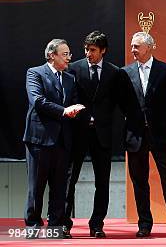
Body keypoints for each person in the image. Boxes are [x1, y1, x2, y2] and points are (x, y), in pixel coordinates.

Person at [65, 31, 130, 238]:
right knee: (69, 179)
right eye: (86, 49)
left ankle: (97, 224)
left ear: (103, 50)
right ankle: (64, 223)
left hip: (102, 133)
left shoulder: (114, 72)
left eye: (92, 50)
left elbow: (123, 104)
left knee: (102, 181)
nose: (88, 53)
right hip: (77, 132)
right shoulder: (73, 68)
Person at [124, 31, 166, 237]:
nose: (132, 50)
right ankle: (144, 224)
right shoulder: (125, 72)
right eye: (132, 46)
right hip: (135, 137)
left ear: (149, 47)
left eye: (136, 46)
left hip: (161, 134)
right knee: (139, 181)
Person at [24, 39, 84, 238]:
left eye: (69, 53)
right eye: (65, 53)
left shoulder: (70, 78)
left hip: (63, 140)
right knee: (37, 186)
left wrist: (78, 110)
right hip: (39, 139)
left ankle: (56, 227)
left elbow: (74, 101)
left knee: (60, 187)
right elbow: (38, 101)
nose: (69, 57)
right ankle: (32, 226)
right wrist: (64, 111)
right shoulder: (35, 73)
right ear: (52, 55)